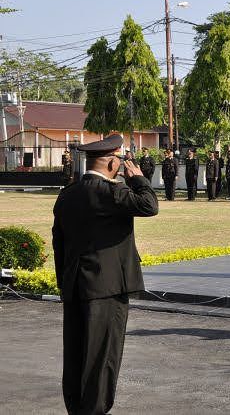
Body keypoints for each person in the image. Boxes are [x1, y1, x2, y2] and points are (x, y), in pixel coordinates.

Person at [52, 134, 159, 415]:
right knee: (102, 360)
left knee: (76, 356)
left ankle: (76, 410)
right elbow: (149, 205)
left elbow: (59, 243)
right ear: (113, 162)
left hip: (75, 286)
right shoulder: (109, 193)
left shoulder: (67, 195)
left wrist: (64, 282)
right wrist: (137, 178)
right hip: (107, 289)